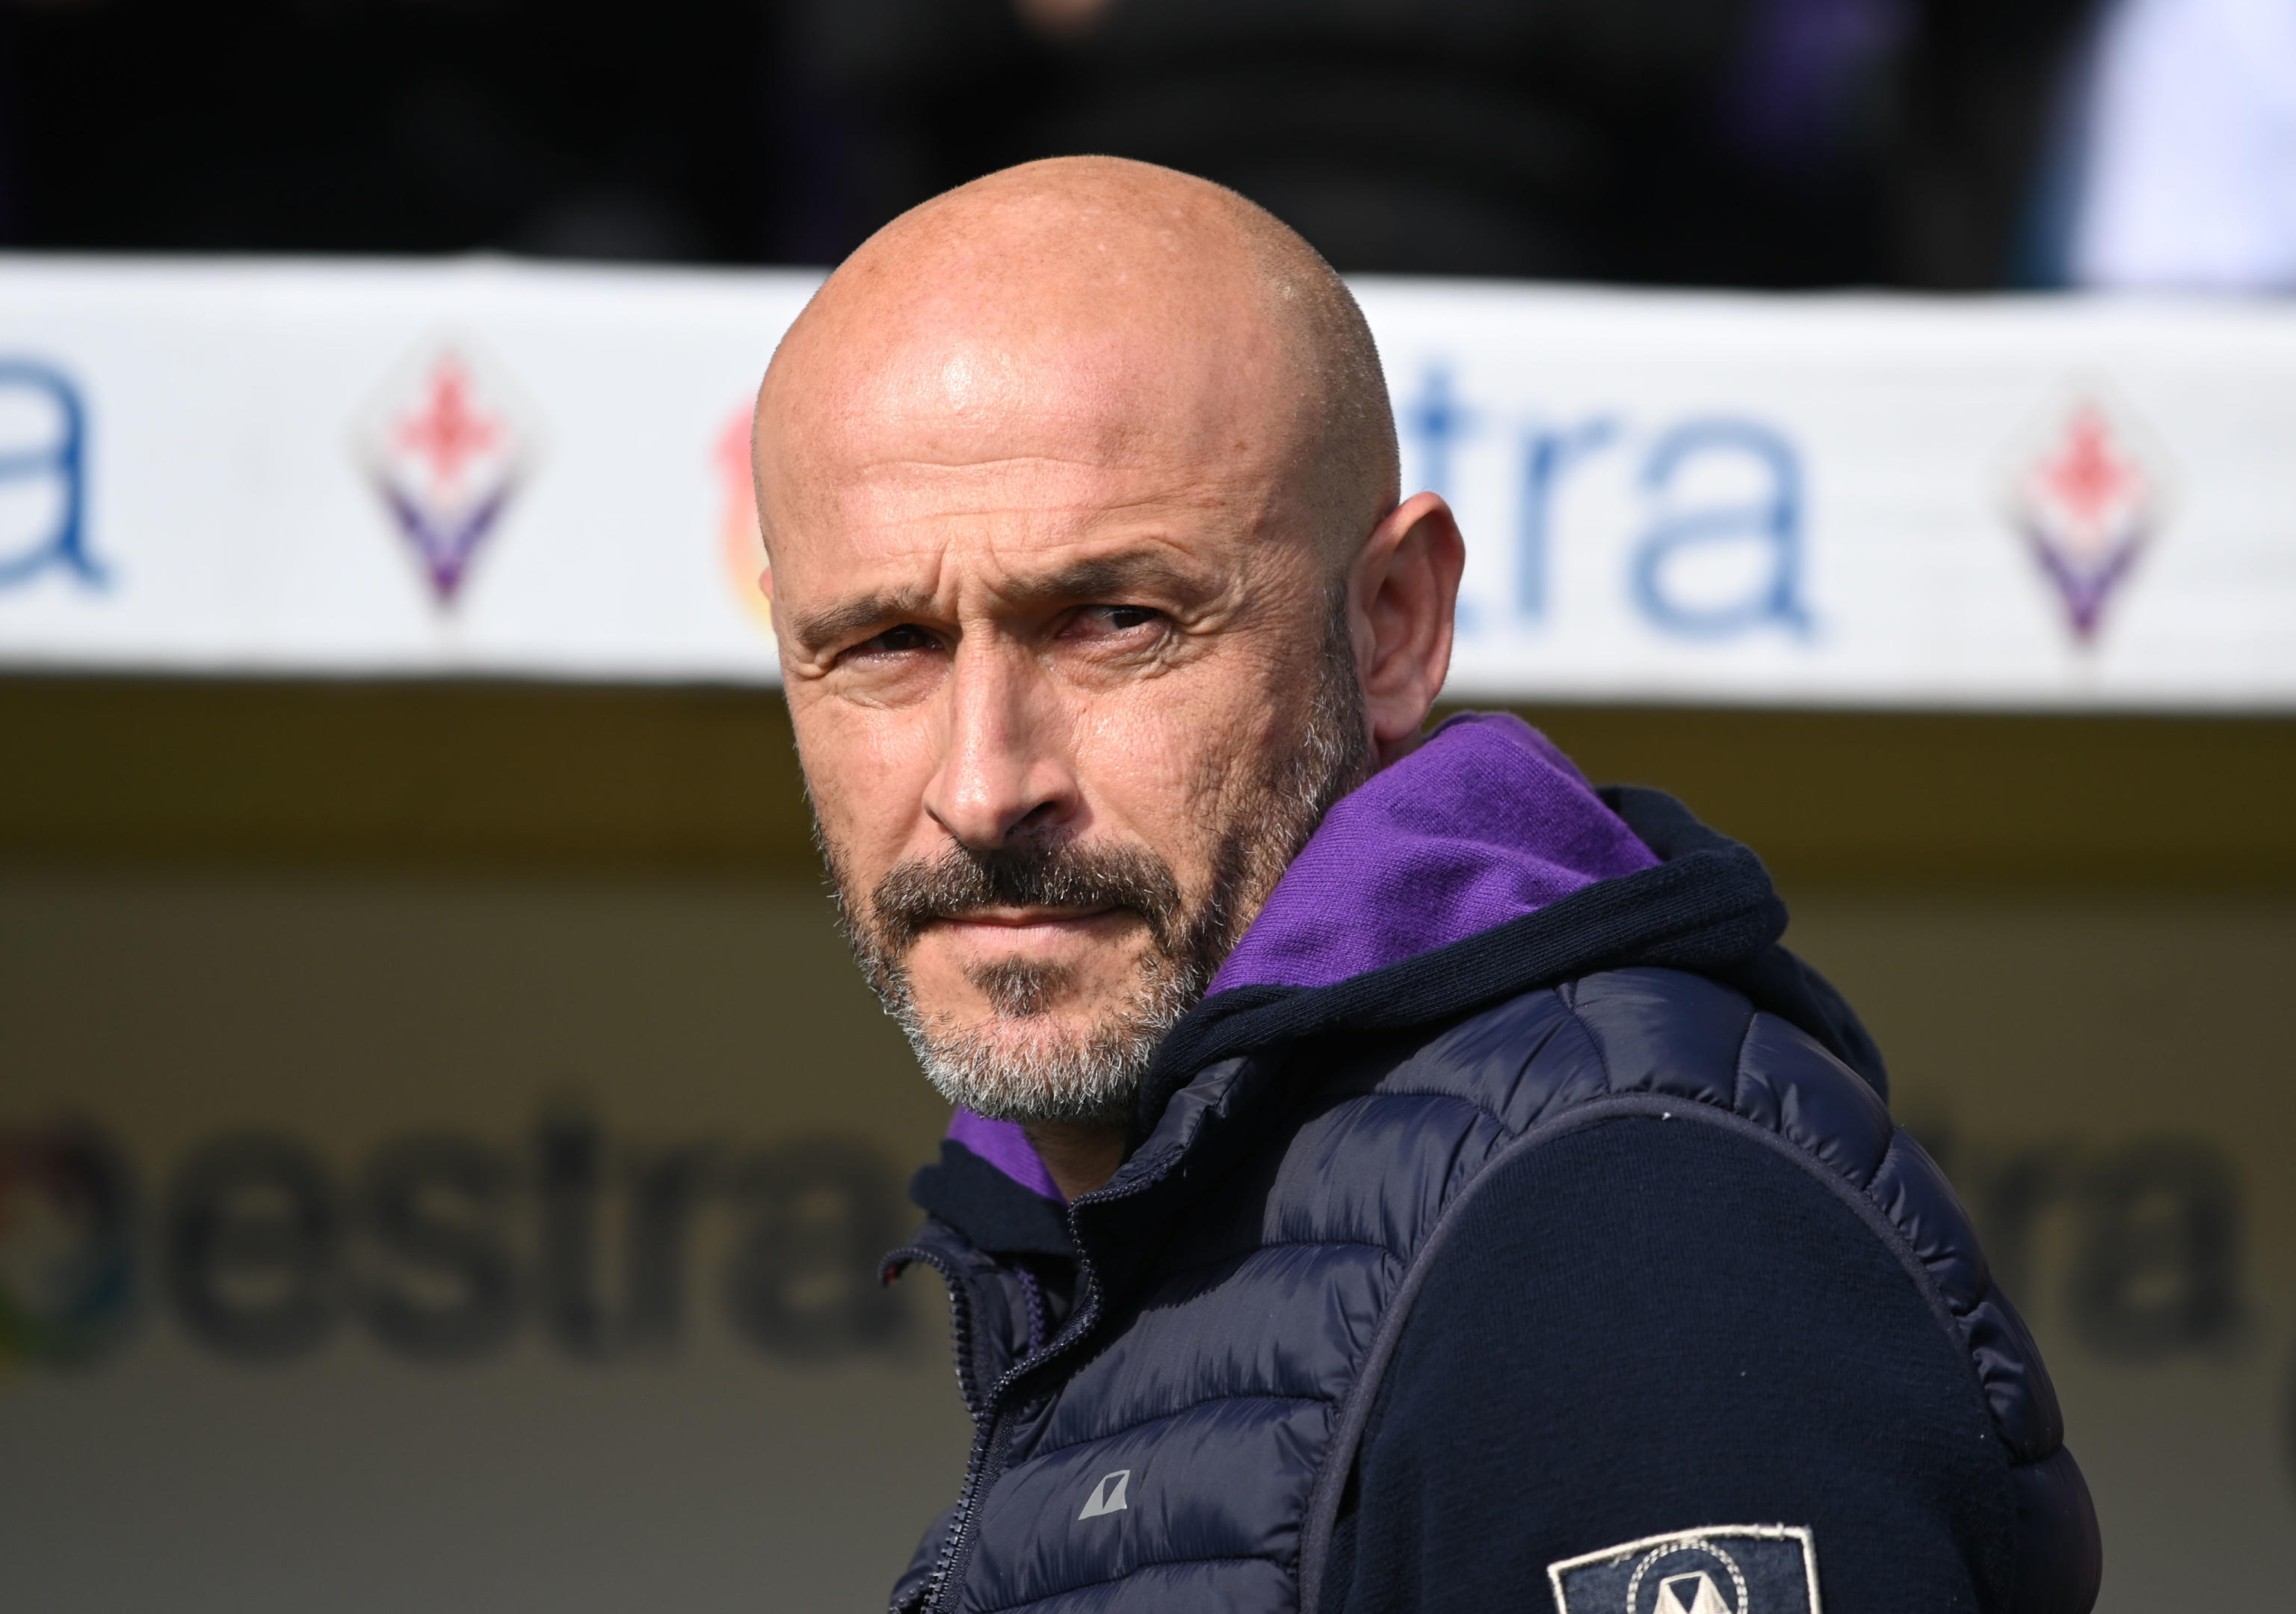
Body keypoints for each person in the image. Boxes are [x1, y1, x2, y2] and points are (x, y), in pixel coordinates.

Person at [749, 155, 2101, 1614]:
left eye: (1115, 621)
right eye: (884, 645)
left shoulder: (1629, 1238)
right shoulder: (1108, 1232)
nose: (981, 785)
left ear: (1395, 625)